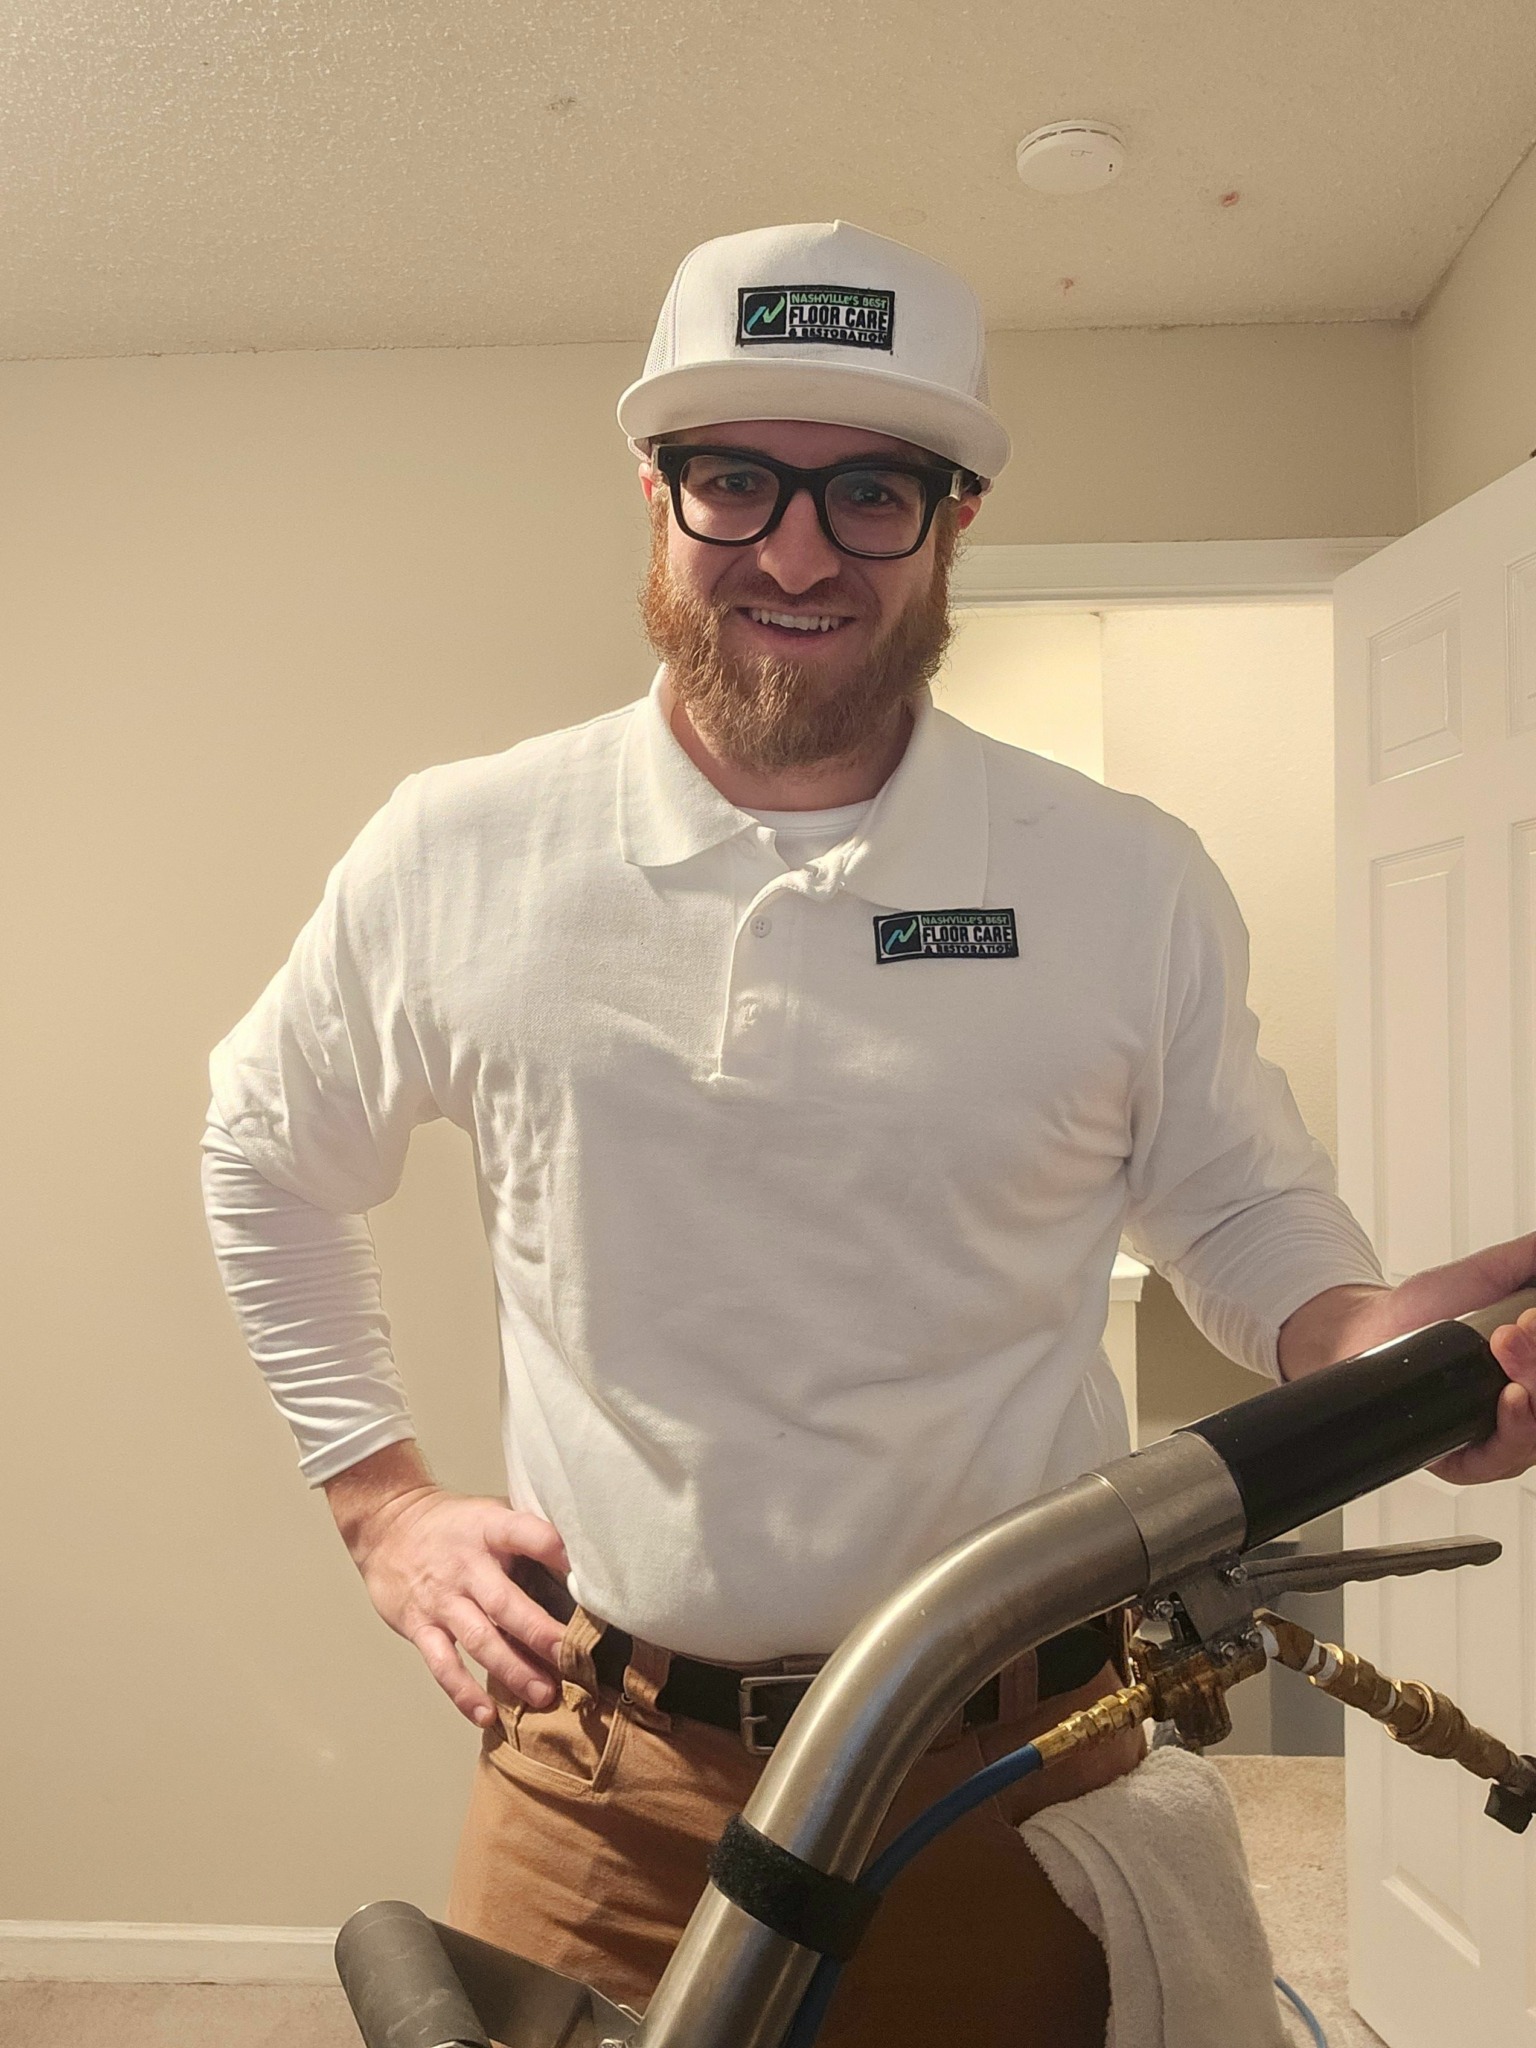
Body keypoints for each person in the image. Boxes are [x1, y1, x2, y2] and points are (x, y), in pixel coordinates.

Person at [201, 220, 1536, 2047]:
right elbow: (263, 1149)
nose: (798, 551)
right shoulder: (462, 854)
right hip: (600, 1782)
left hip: (1011, 1771)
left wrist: (1359, 1338)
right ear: (656, 493)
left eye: (872, 492)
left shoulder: (1119, 878)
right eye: (736, 481)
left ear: (955, 520)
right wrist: (381, 1502)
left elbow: (1235, 1207)